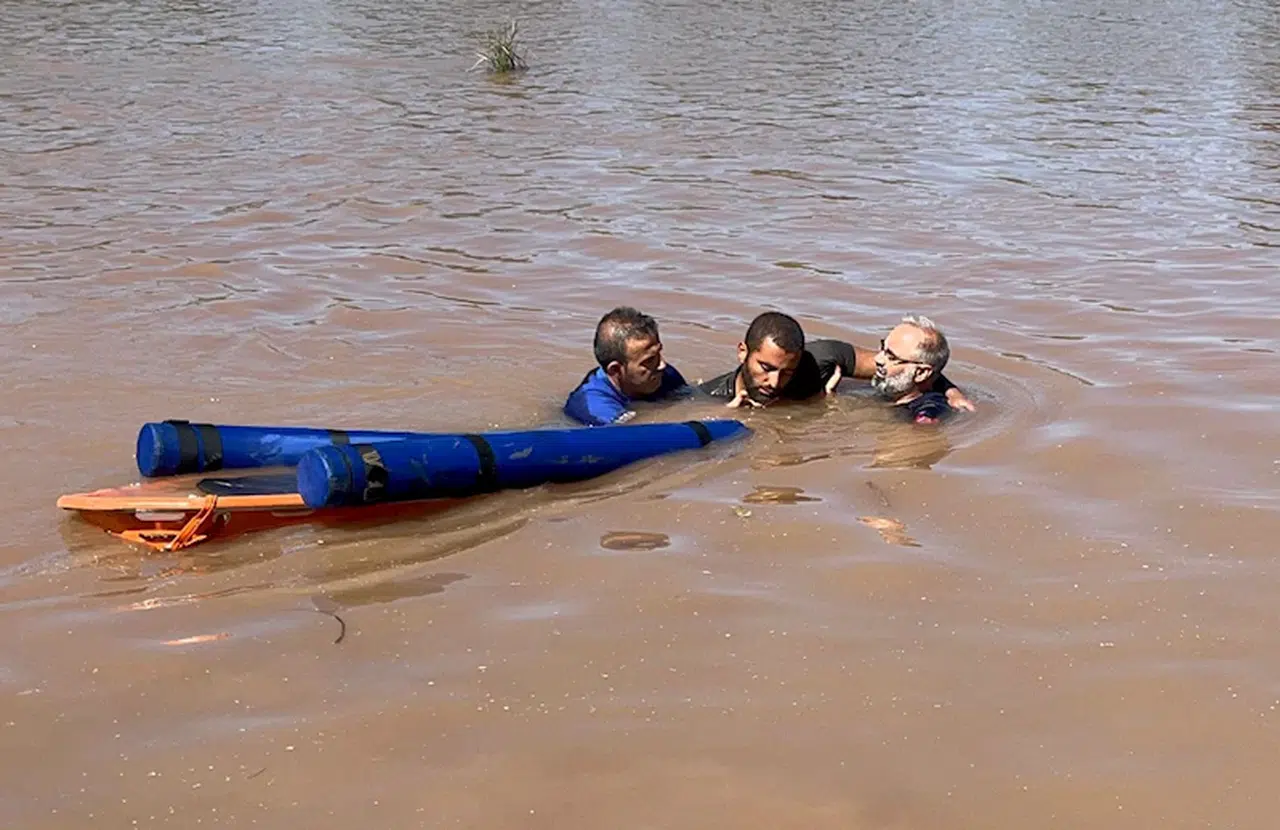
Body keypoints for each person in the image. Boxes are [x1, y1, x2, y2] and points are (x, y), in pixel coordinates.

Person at [696, 311, 974, 412]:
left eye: (788, 372)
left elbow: (911, 368)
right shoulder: (710, 396)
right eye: (766, 368)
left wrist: (952, 394)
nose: (775, 382)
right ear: (742, 352)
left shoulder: (819, 361)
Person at [563, 306, 689, 426]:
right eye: (649, 360)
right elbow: (631, 435)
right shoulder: (595, 406)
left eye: (658, 353)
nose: (662, 365)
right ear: (616, 370)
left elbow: (693, 398)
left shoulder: (664, 375)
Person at [870, 315, 962, 424]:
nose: (877, 358)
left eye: (891, 357)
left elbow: (927, 424)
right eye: (882, 348)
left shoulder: (929, 409)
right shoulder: (891, 385)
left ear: (921, 373)